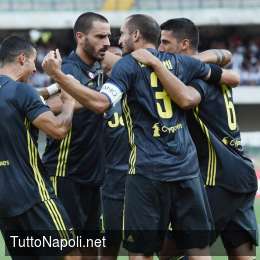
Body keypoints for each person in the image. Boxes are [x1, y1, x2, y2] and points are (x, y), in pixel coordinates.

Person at [41, 14, 239, 260]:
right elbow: (232, 76)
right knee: (198, 250)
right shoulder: (181, 62)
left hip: (146, 171)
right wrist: (177, 62)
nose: (117, 39)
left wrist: (57, 76)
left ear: (135, 35)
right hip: (185, 170)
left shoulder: (127, 65)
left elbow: (101, 103)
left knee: (139, 251)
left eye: (121, 34)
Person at [155, 18, 258, 259]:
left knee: (170, 250)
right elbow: (225, 58)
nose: (160, 48)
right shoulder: (215, 71)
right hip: (240, 172)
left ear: (184, 44)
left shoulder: (194, 77)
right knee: (241, 252)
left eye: (165, 42)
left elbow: (187, 100)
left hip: (216, 175)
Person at [0, 35, 80, 259]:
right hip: (33, 193)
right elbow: (58, 131)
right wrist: (69, 104)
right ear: (22, 59)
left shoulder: (14, 93)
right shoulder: (22, 91)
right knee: (71, 253)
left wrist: (56, 86)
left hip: (4, 199)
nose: (35, 70)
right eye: (33, 62)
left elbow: (28, 98)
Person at [42, 12, 110, 259]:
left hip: (94, 175)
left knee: (92, 251)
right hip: (66, 173)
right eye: (100, 36)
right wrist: (94, 100)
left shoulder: (99, 69)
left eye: (109, 36)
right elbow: (46, 106)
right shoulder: (68, 70)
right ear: (80, 37)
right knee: (69, 253)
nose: (107, 42)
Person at [100, 45, 128, 260]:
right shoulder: (96, 96)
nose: (120, 61)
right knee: (110, 244)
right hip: (109, 182)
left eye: (122, 57)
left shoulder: (137, 90)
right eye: (114, 56)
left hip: (141, 177)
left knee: (142, 245)